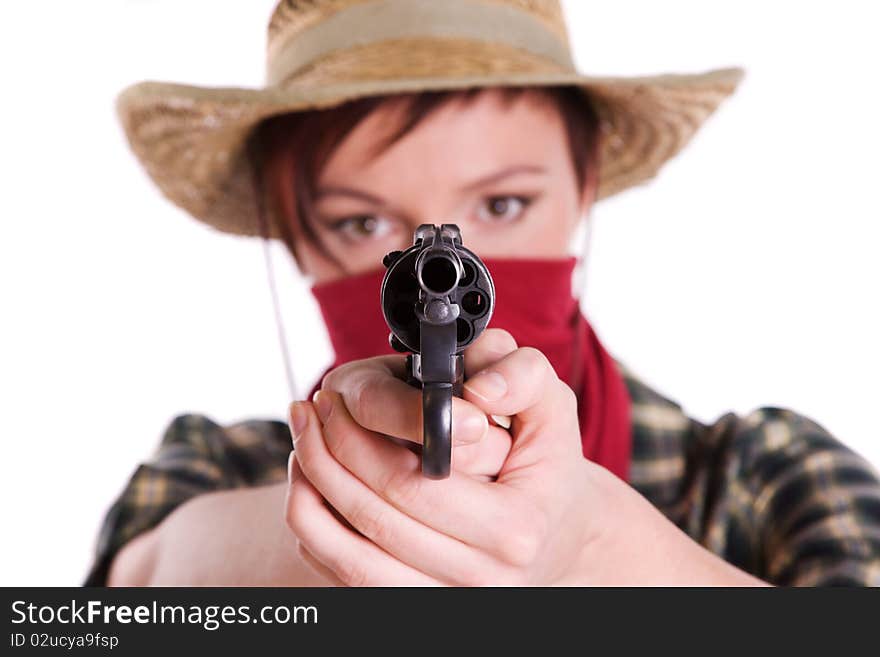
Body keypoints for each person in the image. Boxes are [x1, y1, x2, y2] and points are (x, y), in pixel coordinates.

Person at [86, 0, 880, 586]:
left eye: (502, 206)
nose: (439, 257)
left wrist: (596, 550)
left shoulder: (766, 476)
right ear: (289, 233)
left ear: (585, 183)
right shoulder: (214, 467)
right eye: (360, 222)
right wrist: (321, 525)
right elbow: (107, 608)